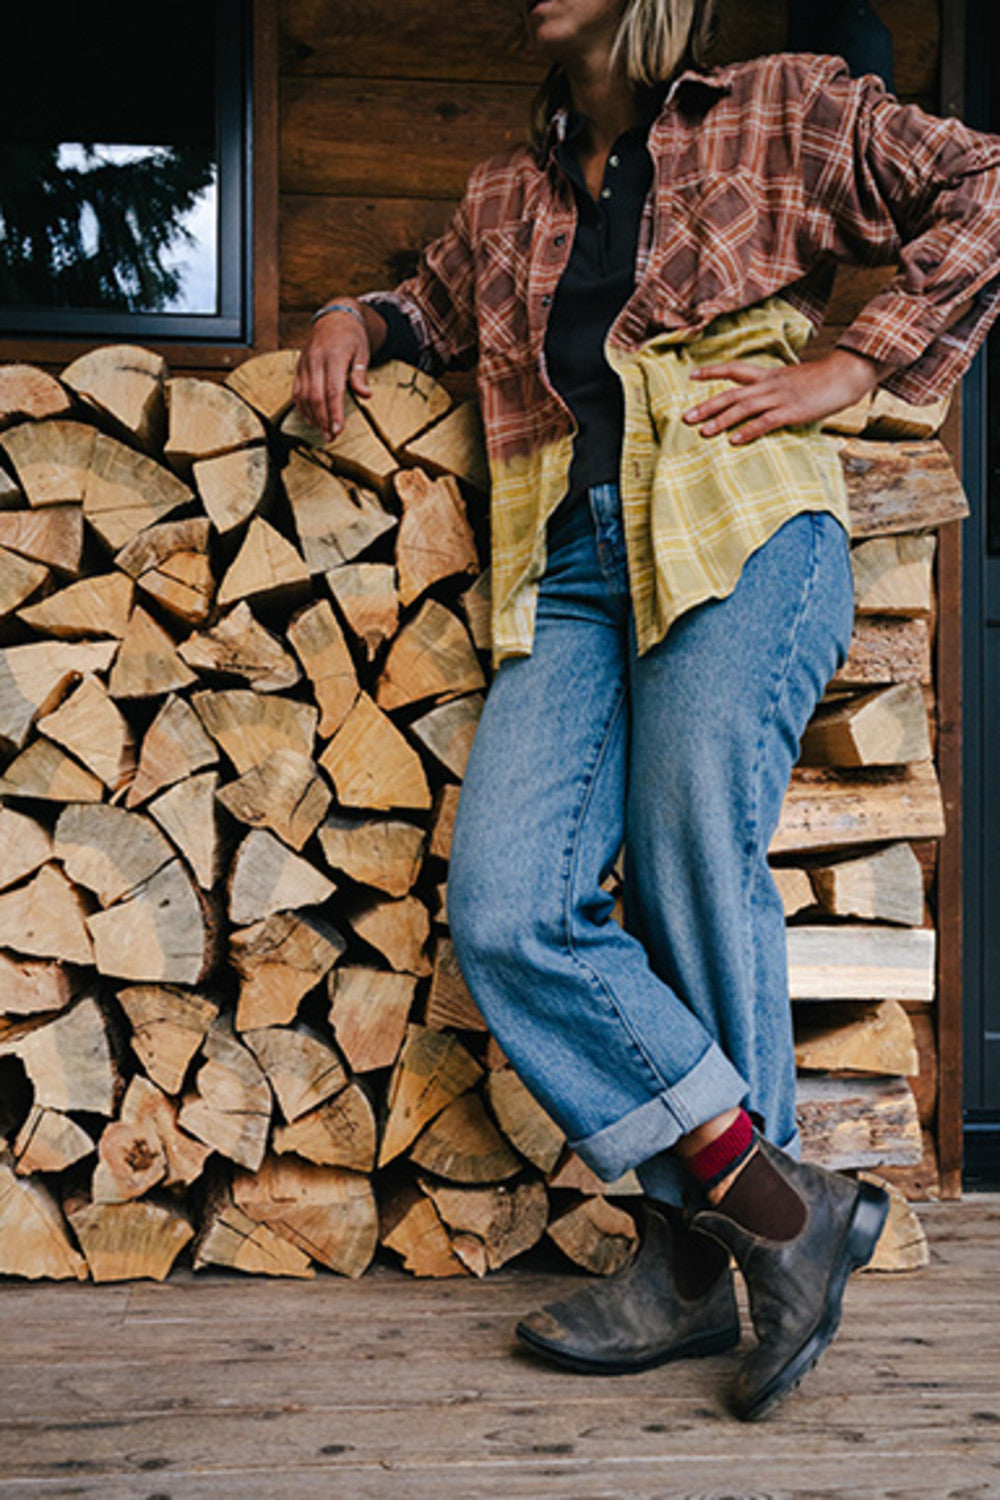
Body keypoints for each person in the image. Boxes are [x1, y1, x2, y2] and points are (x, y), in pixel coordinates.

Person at [293, 0, 1000, 1422]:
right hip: (566, 566)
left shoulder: (782, 107)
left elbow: (983, 180)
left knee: (688, 860)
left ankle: (689, 1270)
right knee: (507, 905)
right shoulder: (507, 192)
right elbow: (431, 308)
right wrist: (349, 314)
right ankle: (783, 1214)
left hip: (736, 524)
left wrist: (859, 358)